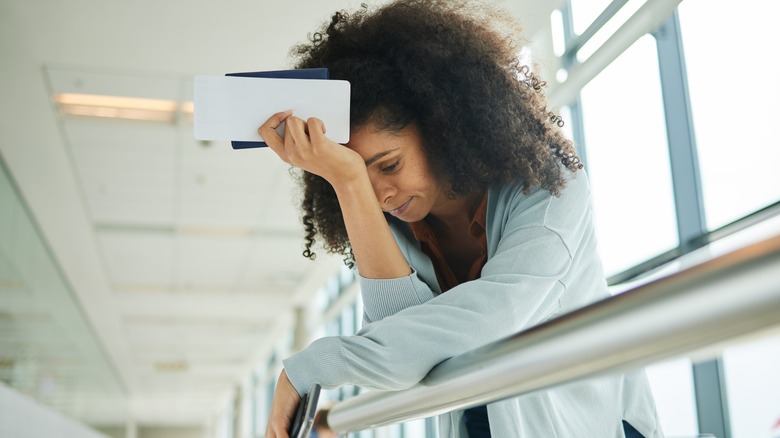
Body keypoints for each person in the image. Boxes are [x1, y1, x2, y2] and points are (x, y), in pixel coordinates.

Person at [260, 1, 663, 437]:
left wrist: (312, 367)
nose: (380, 195)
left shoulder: (549, 186)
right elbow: (403, 353)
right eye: (357, 174)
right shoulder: (389, 219)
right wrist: (347, 184)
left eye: (389, 165)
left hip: (590, 424)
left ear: (441, 127)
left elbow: (494, 318)